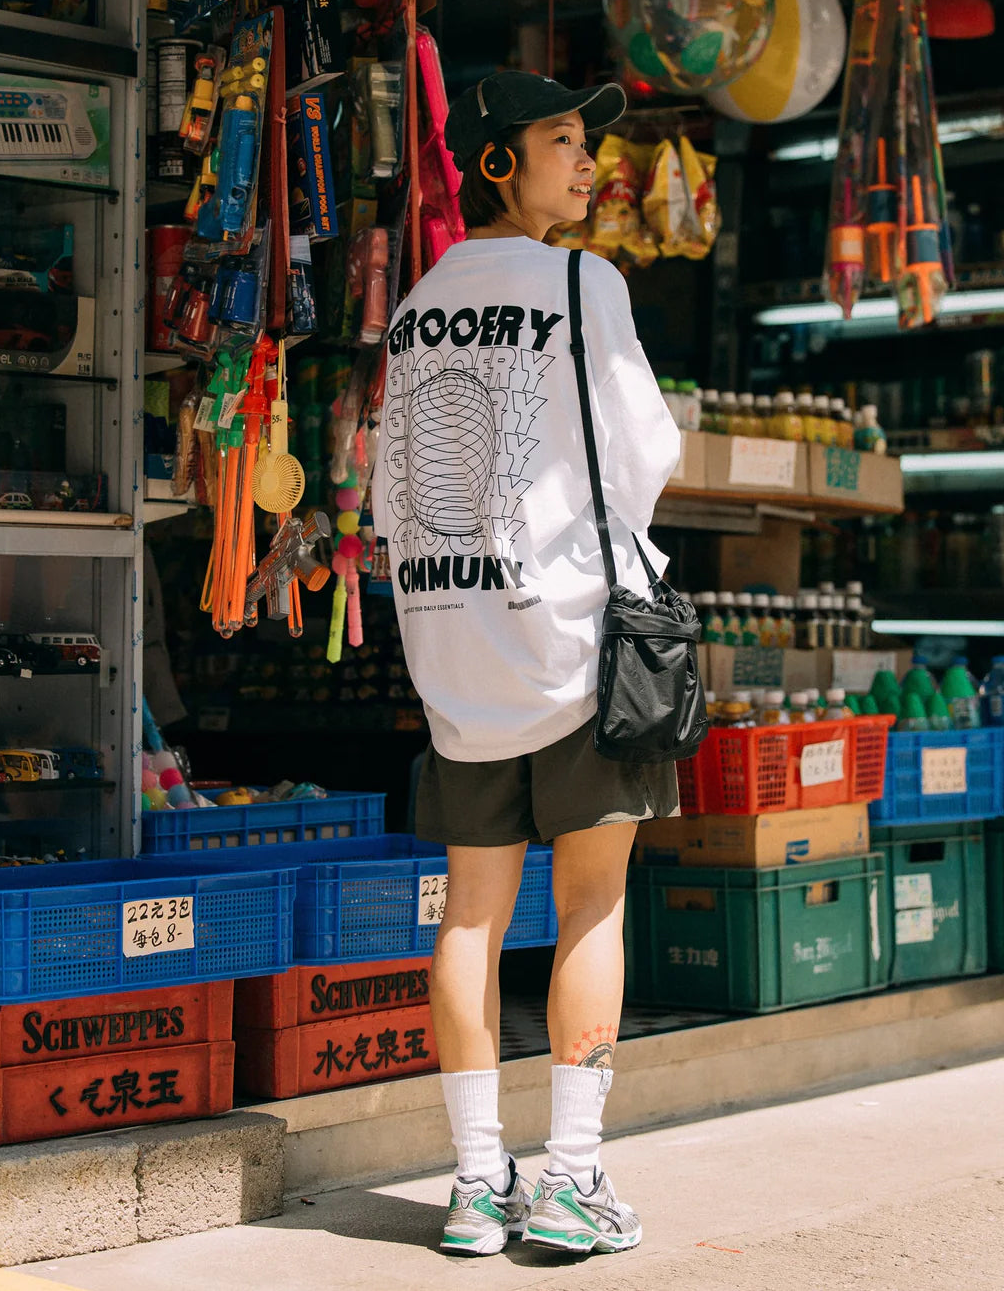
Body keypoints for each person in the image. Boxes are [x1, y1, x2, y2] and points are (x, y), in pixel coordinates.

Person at [370, 70, 681, 1257]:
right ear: (497, 162)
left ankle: (471, 1184)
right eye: (562, 141)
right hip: (574, 642)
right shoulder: (579, 282)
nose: (584, 161)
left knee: (470, 917)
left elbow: (400, 483)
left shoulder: (419, 303)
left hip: (457, 652)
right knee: (592, 900)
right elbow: (642, 445)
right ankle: (572, 1177)